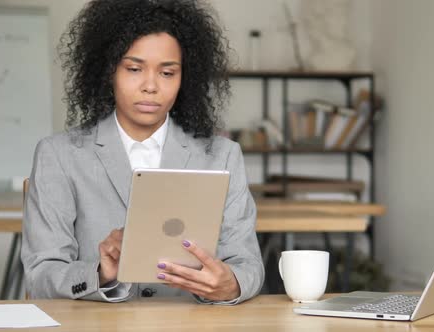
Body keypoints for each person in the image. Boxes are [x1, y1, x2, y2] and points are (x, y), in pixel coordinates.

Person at [21, 0, 264, 304]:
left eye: (167, 73)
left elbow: (248, 265)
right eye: (134, 69)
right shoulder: (59, 155)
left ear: (184, 78)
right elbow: (40, 274)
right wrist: (99, 273)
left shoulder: (223, 155)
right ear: (108, 71)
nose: (151, 86)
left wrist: (231, 285)